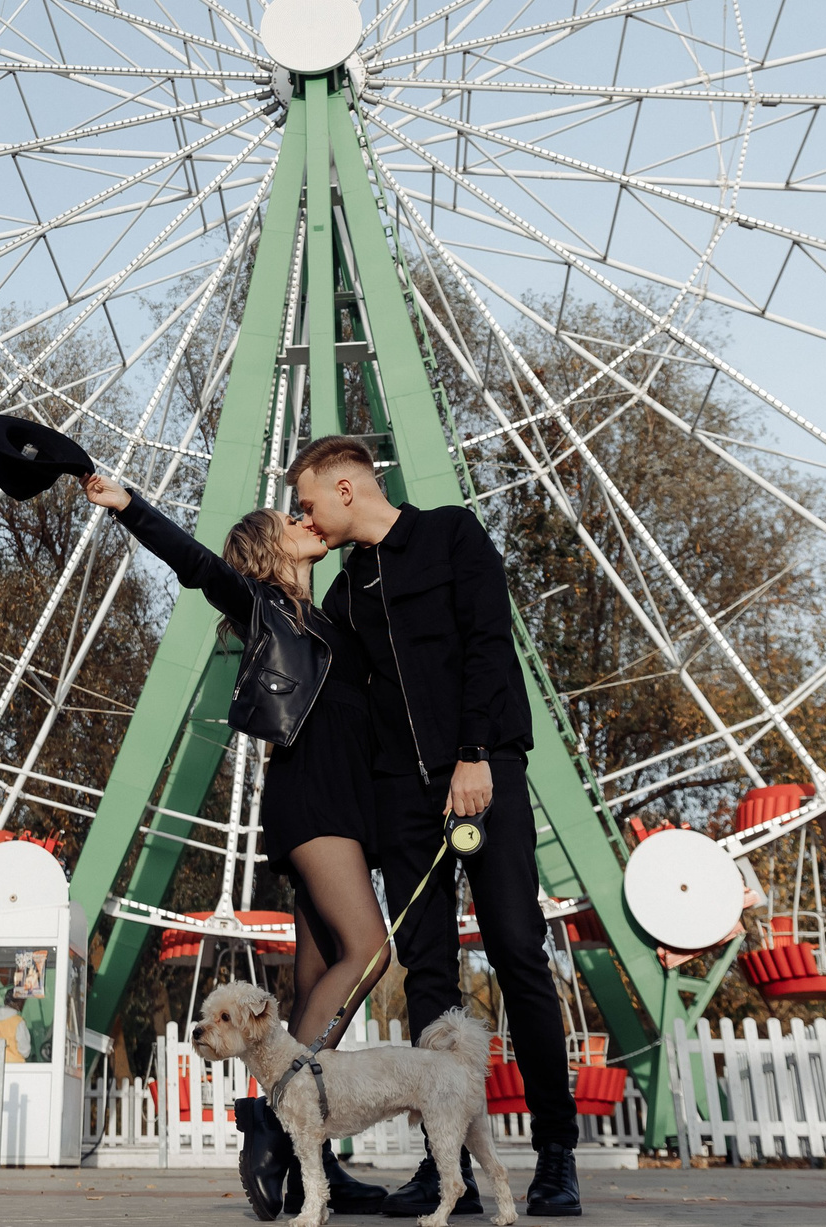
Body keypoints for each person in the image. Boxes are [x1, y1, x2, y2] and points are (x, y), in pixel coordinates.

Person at [289, 435, 582, 1220]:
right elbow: (330, 688)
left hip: (483, 773)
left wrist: (476, 753)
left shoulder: (453, 534)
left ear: (347, 488)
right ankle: (439, 1161)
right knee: (426, 972)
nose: (304, 517)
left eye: (308, 503)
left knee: (519, 948)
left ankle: (557, 1155)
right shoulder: (347, 592)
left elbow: (489, 644)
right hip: (403, 795)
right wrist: (297, 565)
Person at [81, 473, 388, 1218]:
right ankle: (273, 1124)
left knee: (319, 989)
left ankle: (313, 1150)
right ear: (263, 552)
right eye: (290, 517)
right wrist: (132, 506)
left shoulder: (337, 618)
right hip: (311, 796)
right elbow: (197, 564)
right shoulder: (264, 606)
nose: (303, 519)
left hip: (348, 799)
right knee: (370, 952)